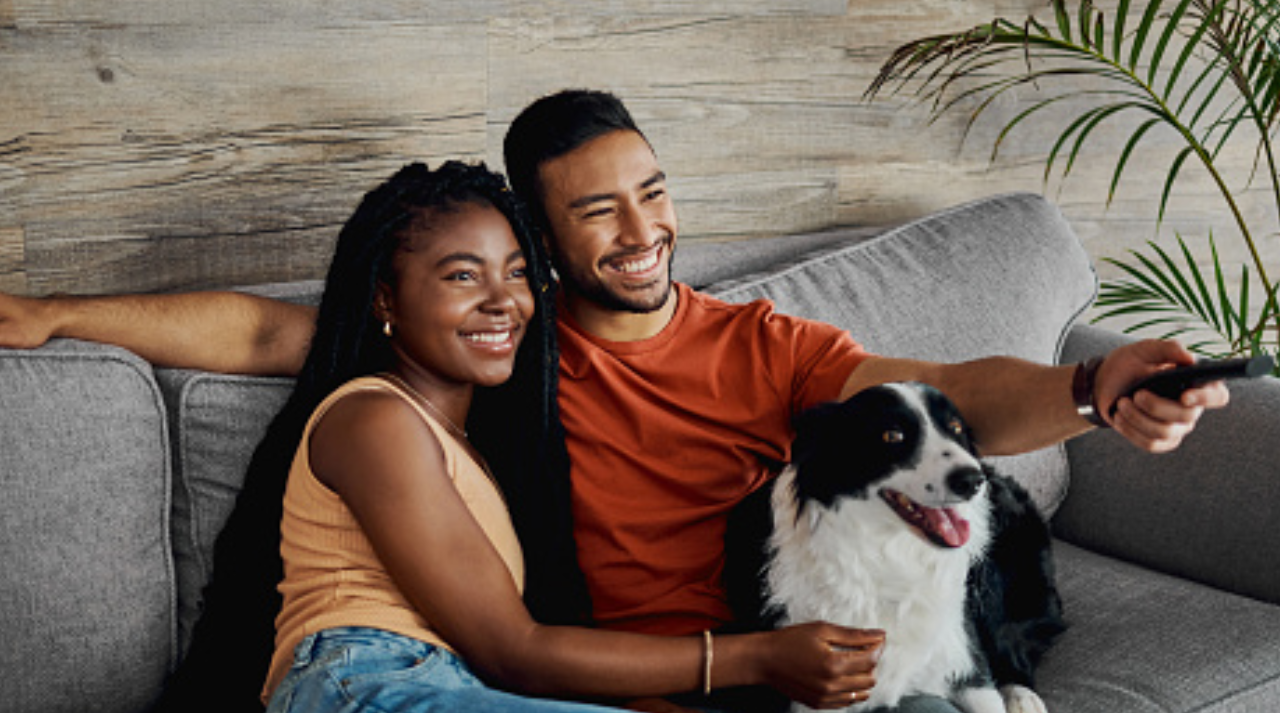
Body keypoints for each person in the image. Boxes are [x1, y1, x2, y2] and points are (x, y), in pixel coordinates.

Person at [0, 90, 1228, 713]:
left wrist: (1086, 387)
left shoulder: (762, 344)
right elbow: (275, 329)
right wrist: (56, 316)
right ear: (543, 239)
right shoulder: (500, 353)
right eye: (597, 211)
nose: (642, 234)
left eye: (650, 192)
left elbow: (944, 400)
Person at [248, 159, 883, 713]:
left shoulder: (468, 443)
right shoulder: (375, 418)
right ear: (385, 298)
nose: (504, 301)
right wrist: (761, 659)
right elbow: (512, 650)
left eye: (518, 272)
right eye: (464, 277)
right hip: (362, 684)